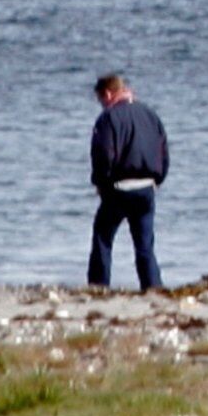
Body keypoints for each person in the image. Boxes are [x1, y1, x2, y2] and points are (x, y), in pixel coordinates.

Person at [87, 72, 170, 290]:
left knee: (102, 239)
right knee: (144, 245)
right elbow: (163, 151)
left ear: (107, 94)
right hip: (146, 186)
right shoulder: (151, 115)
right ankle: (153, 288)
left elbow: (104, 154)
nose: (102, 105)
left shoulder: (109, 118)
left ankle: (99, 286)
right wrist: (158, 179)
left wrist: (100, 183)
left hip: (119, 188)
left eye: (101, 100)